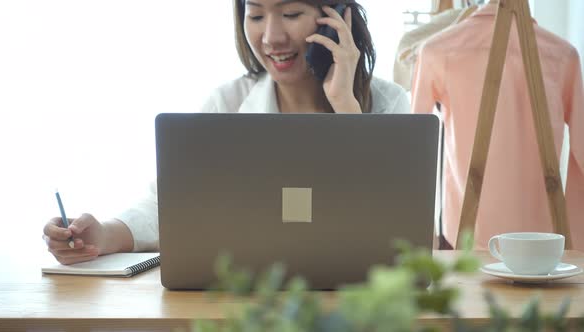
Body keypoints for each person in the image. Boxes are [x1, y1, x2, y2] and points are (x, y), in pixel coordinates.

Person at [42, 0, 410, 265]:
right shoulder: (227, 101)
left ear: (336, 19)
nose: (271, 37)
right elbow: (170, 204)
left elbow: (401, 226)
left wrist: (345, 105)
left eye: (291, 13)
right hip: (245, 298)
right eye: (256, 14)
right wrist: (102, 236)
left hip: (359, 300)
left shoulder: (388, 103)